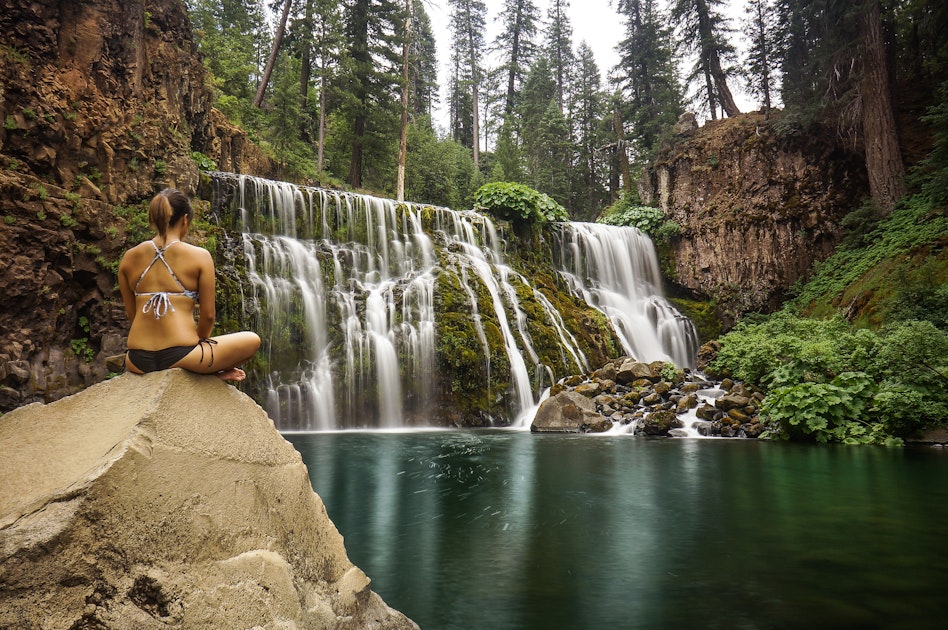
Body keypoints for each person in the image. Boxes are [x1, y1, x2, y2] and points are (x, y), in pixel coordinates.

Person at [118, 188, 260, 381]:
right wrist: (200, 346)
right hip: (181, 356)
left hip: (136, 359)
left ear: (153, 219)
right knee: (252, 340)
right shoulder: (199, 256)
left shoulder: (128, 258)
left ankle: (203, 372)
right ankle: (206, 374)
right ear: (185, 220)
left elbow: (131, 315)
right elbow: (208, 316)